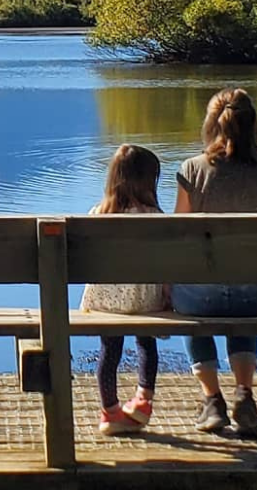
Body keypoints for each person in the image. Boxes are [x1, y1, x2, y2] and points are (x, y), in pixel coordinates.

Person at [173, 88, 257, 439]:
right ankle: (244, 395)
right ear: (254, 127)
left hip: (200, 298)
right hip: (253, 297)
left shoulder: (192, 171)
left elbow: (179, 238)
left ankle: (212, 400)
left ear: (210, 125)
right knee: (248, 278)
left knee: (192, 300)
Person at [80, 143, 169, 436]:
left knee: (109, 351)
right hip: (146, 303)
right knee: (147, 344)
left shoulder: (97, 213)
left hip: (105, 304)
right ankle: (144, 401)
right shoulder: (156, 217)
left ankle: (110, 412)